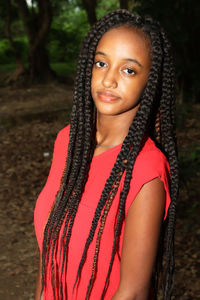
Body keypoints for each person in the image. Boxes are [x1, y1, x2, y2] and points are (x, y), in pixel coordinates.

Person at [34, 9, 178, 300]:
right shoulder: (68, 141)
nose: (109, 80)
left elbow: (133, 293)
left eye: (129, 70)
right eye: (101, 63)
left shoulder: (146, 168)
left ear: (151, 81)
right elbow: (50, 254)